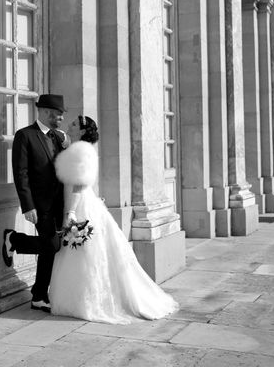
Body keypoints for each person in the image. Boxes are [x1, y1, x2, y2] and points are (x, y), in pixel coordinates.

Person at [49, 116, 178, 324]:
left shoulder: (81, 150)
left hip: (79, 204)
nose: (69, 125)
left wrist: (70, 212)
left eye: (74, 124)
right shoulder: (79, 148)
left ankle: (84, 301)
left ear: (82, 131)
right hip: (83, 201)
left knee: (84, 254)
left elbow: (79, 184)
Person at [2, 94, 69, 313]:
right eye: (58, 114)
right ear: (46, 112)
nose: (61, 118)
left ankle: (39, 296)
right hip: (39, 205)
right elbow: (20, 173)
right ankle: (14, 239)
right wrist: (27, 205)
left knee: (49, 250)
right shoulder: (25, 136)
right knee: (51, 245)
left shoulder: (59, 138)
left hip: (60, 204)